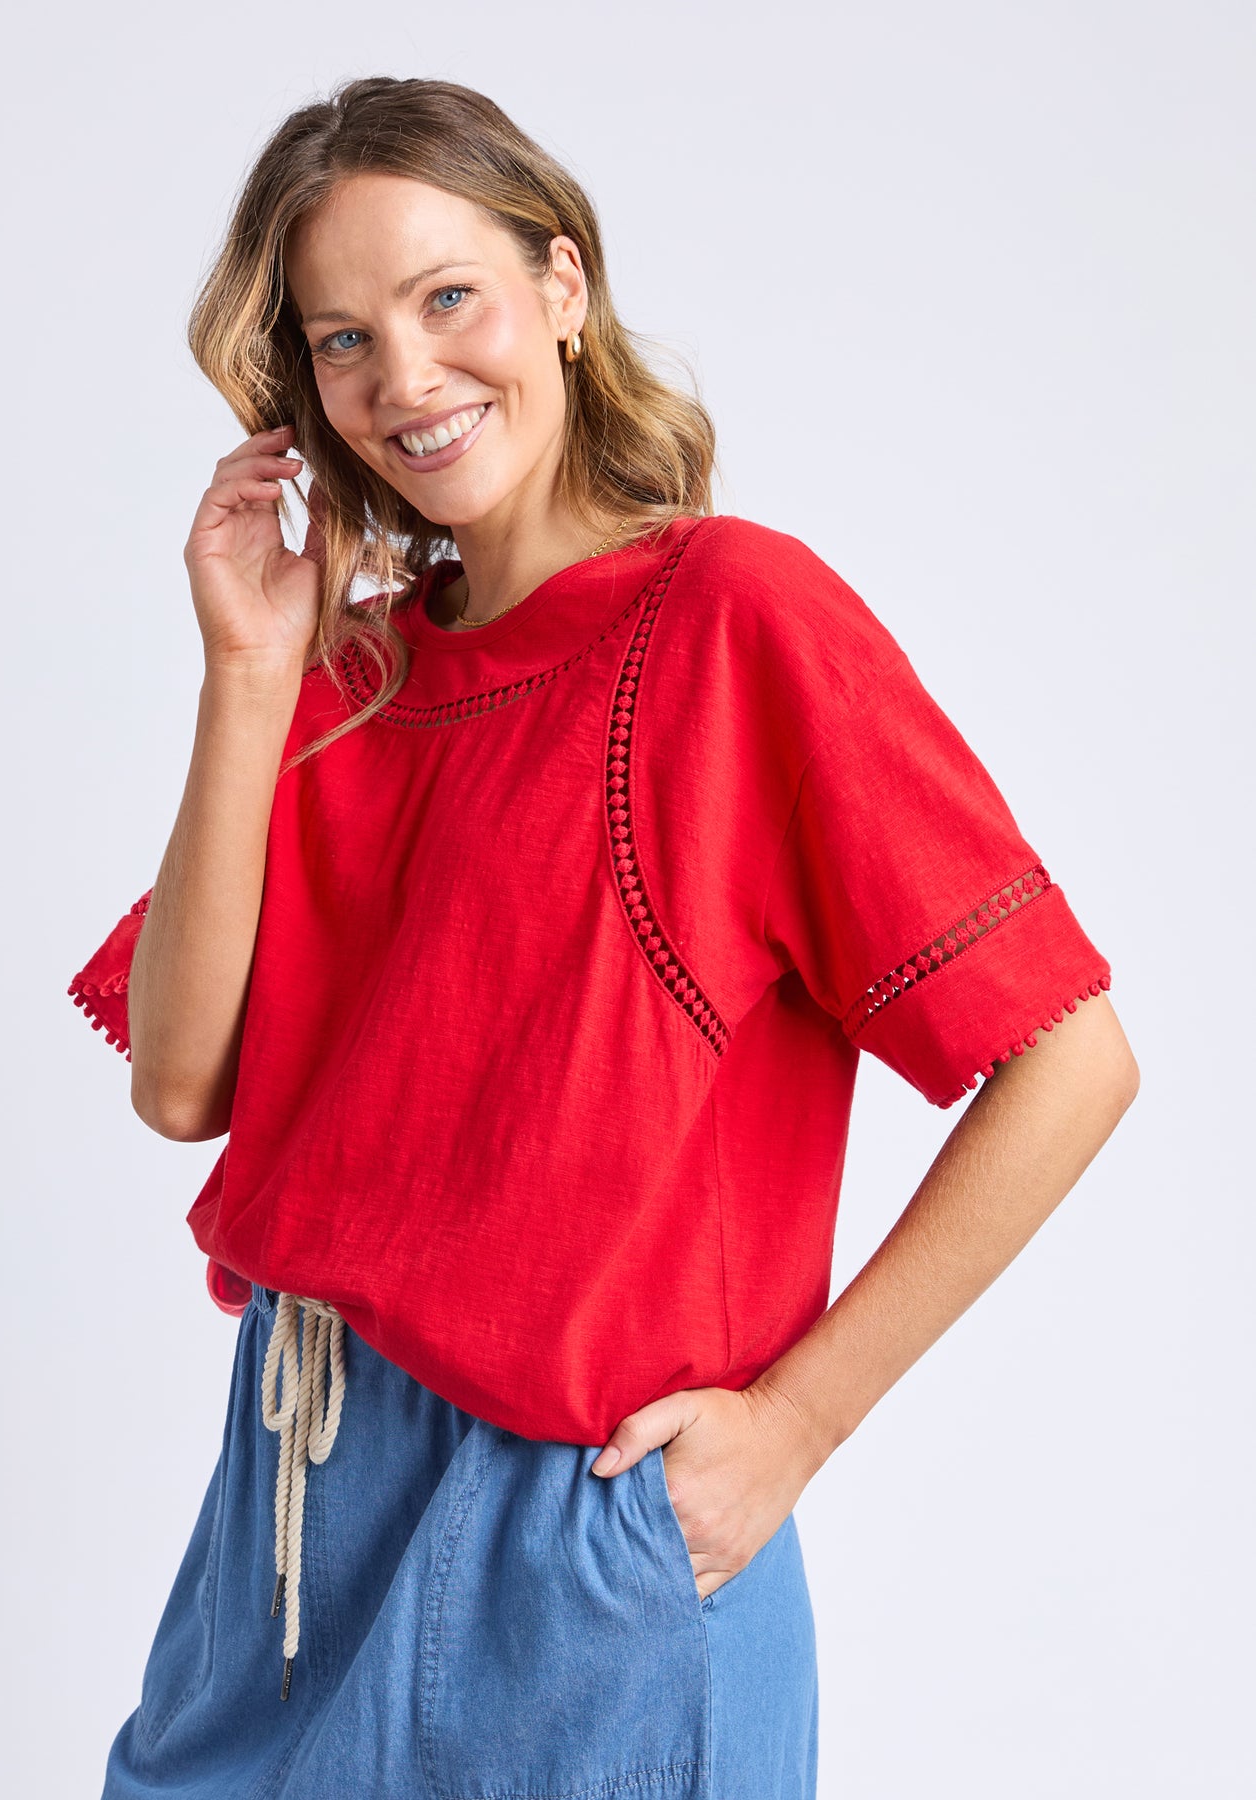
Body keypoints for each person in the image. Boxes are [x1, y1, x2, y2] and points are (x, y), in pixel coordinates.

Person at [68, 75, 1139, 1800]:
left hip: (579, 1539)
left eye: (449, 298)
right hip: (292, 1498)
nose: (405, 378)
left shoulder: (731, 619)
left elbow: (1071, 1060)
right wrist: (249, 673)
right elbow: (181, 1084)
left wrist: (797, 1425)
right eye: (343, 341)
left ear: (561, 285)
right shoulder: (346, 673)